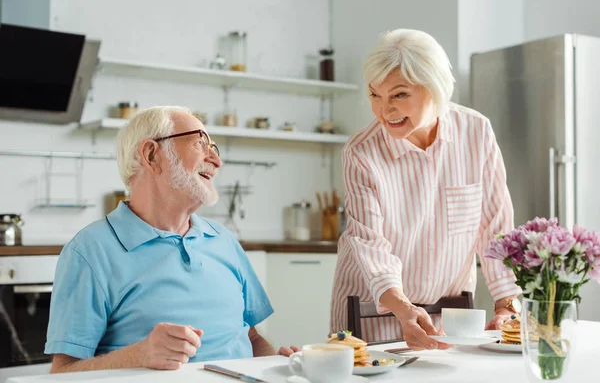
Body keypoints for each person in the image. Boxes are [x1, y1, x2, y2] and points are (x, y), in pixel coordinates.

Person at [45, 106, 299, 373]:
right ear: (152, 154)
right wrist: (138, 355)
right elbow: (62, 371)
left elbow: (252, 337)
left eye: (215, 148)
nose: (215, 160)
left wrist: (276, 367)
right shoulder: (89, 251)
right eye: (200, 143)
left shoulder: (223, 239)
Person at [330, 29, 522, 351]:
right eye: (375, 95)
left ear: (435, 88)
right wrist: (403, 308)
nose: (383, 110)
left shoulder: (475, 132)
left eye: (399, 95)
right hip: (371, 313)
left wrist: (506, 303)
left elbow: (494, 227)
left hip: (450, 315)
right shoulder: (361, 152)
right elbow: (370, 243)